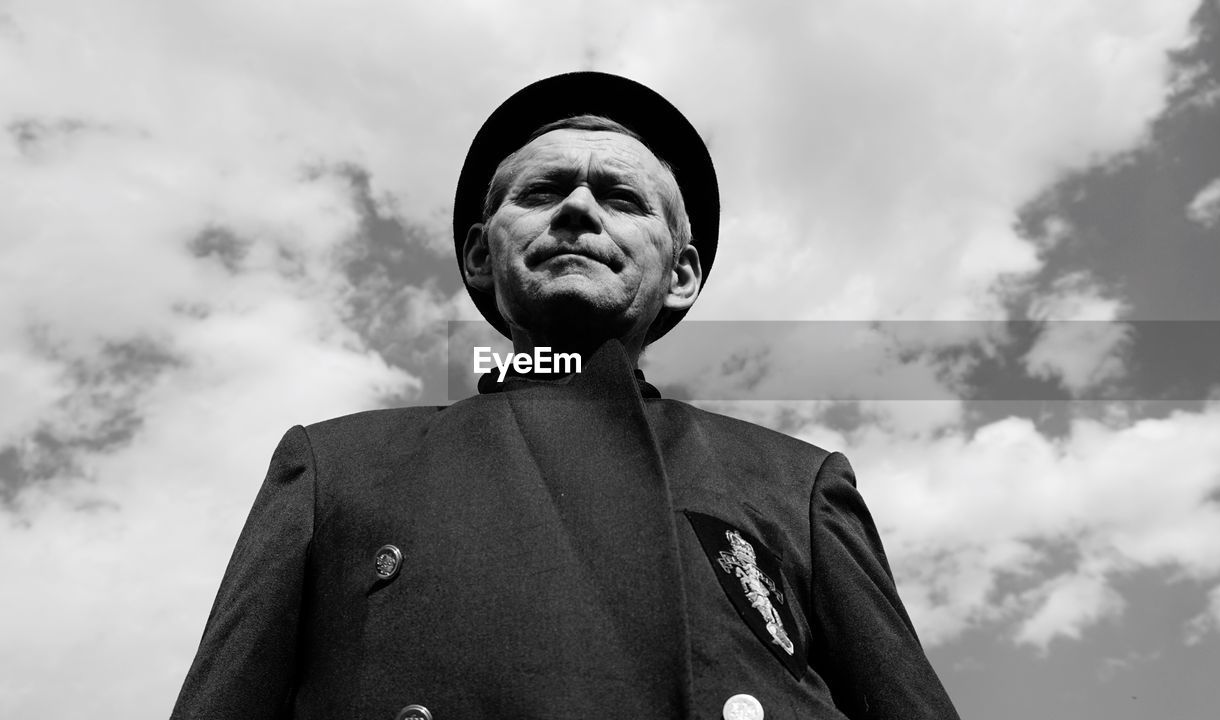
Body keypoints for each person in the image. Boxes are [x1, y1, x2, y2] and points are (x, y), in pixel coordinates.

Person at [171, 72, 961, 720]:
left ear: (680, 273)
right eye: (543, 189)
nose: (578, 209)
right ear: (483, 255)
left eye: (622, 199)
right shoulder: (336, 468)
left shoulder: (796, 484)